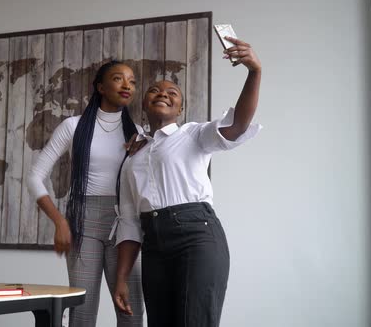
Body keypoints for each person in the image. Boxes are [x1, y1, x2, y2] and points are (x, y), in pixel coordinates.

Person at [112, 36, 262, 327]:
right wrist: (121, 279)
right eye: (154, 90)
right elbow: (129, 222)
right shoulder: (131, 158)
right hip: (153, 245)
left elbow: (238, 125)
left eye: (173, 93)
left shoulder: (193, 134)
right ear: (143, 103)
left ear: (180, 109)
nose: (163, 93)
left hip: (197, 236)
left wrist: (254, 72)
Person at [27, 60, 144, 327]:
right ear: (100, 87)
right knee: (82, 312)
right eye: (118, 78)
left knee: (132, 312)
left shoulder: (137, 134)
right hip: (83, 223)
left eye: (132, 81)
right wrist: (59, 221)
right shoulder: (73, 126)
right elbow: (34, 176)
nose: (127, 85)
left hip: (125, 225)